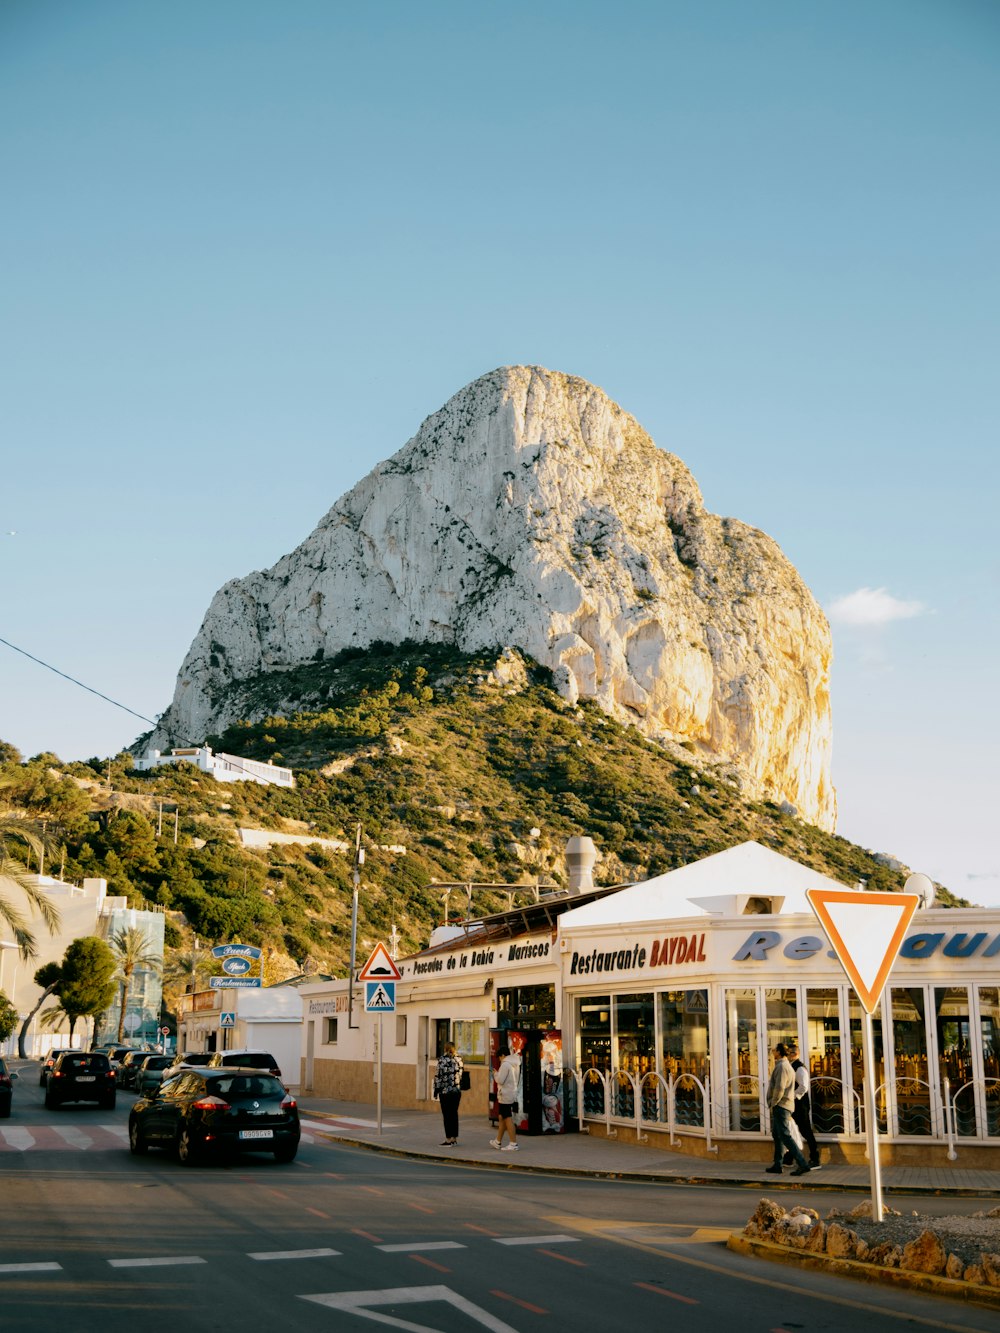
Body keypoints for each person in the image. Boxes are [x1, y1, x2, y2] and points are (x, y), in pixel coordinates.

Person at [765, 1043, 810, 1176]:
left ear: (779, 1052)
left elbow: (780, 1087)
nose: (772, 1052)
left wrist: (774, 1103)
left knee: (785, 1136)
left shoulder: (782, 1066)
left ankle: (802, 1163)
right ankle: (778, 1164)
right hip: (783, 1105)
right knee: (777, 1135)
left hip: (781, 1105)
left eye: (774, 1050)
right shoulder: (785, 1065)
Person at [783, 1042, 822, 1169]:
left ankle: (815, 1159)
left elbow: (803, 1087)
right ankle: (789, 1158)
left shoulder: (799, 1068)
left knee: (806, 1131)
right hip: (793, 1104)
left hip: (800, 1105)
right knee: (792, 1130)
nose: (787, 1055)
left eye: (789, 1053)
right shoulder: (791, 1066)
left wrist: (791, 1096)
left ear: (795, 1054)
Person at [490, 1038, 522, 1152]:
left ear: (503, 1055)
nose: (499, 1059)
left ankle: (513, 1143)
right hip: (511, 1092)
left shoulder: (505, 1065)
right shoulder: (515, 1064)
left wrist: (495, 1074)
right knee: (502, 1117)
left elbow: (501, 1080)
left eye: (499, 1057)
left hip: (505, 1094)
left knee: (507, 1118)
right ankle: (497, 1141)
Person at [433, 1042, 463, 1145]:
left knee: (447, 1115)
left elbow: (438, 1076)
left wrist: (436, 1090)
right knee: (454, 1114)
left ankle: (448, 1139)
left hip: (445, 1092)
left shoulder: (442, 1059)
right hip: (456, 1091)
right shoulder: (459, 1059)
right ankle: (454, 1138)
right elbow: (461, 1074)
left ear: (445, 1049)